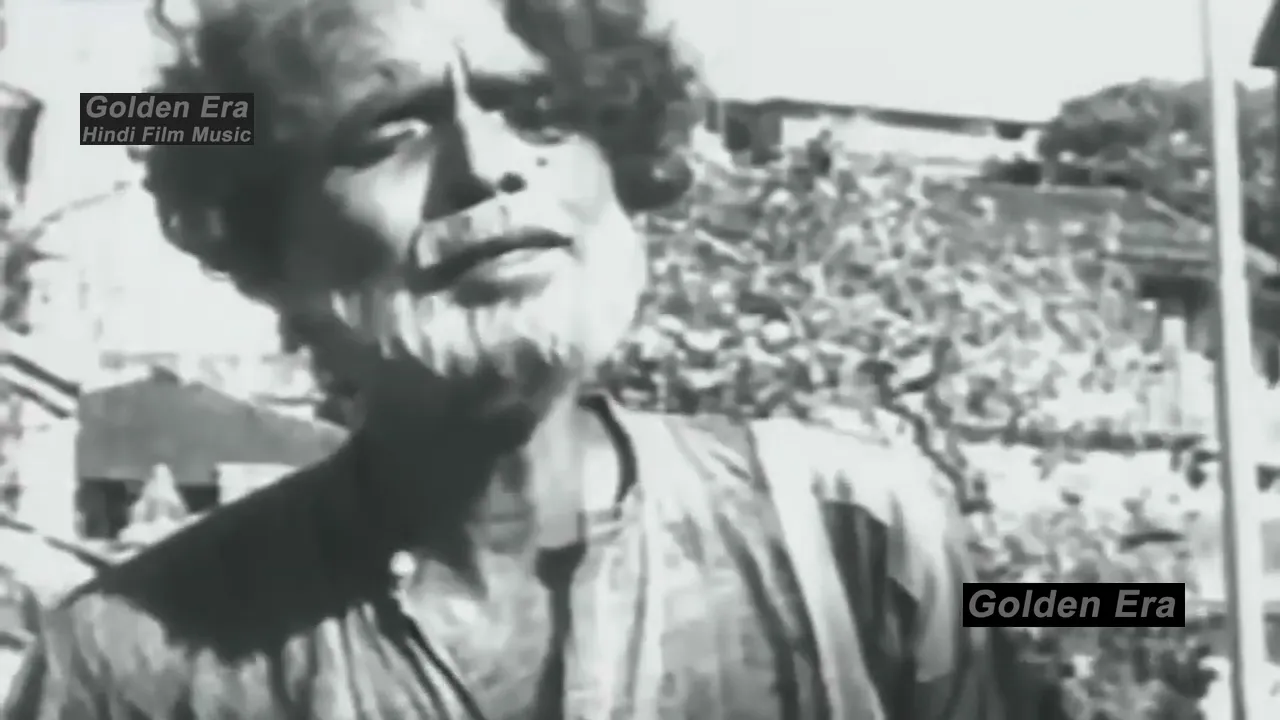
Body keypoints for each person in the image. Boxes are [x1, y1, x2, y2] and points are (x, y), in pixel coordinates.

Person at [2, 0, 1056, 718]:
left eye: (538, 113)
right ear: (267, 238)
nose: (488, 166)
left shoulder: (854, 535)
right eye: (388, 132)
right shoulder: (128, 661)